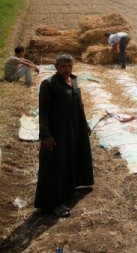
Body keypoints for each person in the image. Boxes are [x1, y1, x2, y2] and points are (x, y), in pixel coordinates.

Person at [34, 53, 94, 218]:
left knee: (70, 159)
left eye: (69, 65)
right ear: (56, 67)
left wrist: (85, 124)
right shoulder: (49, 85)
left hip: (74, 129)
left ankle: (69, 190)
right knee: (55, 165)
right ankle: (54, 202)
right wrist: (46, 135)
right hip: (57, 132)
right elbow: (43, 112)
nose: (66, 69)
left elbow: (78, 104)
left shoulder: (73, 80)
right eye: (63, 66)